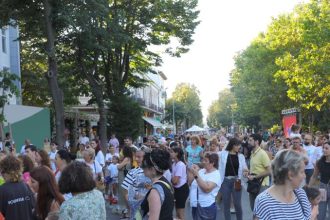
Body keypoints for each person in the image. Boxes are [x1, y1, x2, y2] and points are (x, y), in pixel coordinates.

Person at [253, 150, 311, 220]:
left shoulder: (300, 194)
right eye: (302, 172)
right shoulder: (264, 202)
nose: (304, 176)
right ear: (290, 175)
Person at [218, 138, 248, 220]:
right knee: (226, 204)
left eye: (239, 145)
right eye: (237, 145)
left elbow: (245, 167)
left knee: (237, 204)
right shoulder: (222, 154)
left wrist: (246, 172)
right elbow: (213, 156)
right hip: (225, 181)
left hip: (237, 181)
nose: (239, 147)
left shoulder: (241, 156)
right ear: (232, 145)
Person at [141, 149, 174, 220]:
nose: (142, 167)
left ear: (152, 170)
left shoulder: (155, 192)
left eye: (144, 165)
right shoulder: (166, 183)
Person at [188, 152, 221, 220]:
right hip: (196, 205)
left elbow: (207, 189)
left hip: (206, 207)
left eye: (206, 160)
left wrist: (196, 175)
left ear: (212, 163)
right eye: (203, 159)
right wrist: (190, 171)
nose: (203, 162)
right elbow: (191, 182)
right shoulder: (202, 171)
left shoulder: (216, 174)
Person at [247, 134, 271, 211]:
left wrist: (255, 177)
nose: (248, 142)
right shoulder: (252, 153)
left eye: (250, 140)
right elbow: (254, 169)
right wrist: (247, 173)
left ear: (257, 142)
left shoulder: (262, 153)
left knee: (261, 210)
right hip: (253, 185)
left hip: (262, 185)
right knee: (253, 209)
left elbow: (269, 170)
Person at [309, 141, 330, 220]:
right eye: (323, 148)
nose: (324, 150)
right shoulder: (320, 162)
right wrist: (308, 188)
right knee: (321, 212)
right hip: (322, 188)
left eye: (326, 148)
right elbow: (314, 176)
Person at [170, 147, 189, 220]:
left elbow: (175, 181)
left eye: (172, 152)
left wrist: (171, 179)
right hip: (177, 190)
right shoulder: (174, 163)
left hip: (182, 190)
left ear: (176, 153)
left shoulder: (180, 165)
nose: (170, 153)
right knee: (177, 214)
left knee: (180, 215)